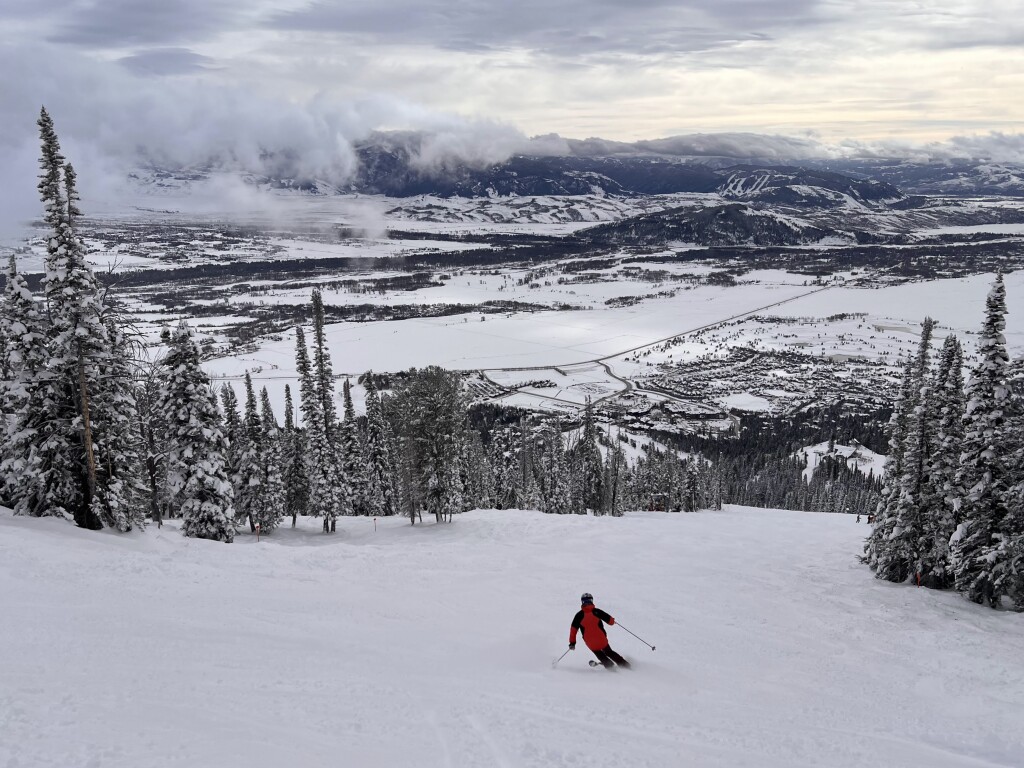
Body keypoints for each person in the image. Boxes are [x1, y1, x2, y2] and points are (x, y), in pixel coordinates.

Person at [569, 593, 631, 669]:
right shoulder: (597, 612)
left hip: (590, 642)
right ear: (592, 601)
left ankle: (609, 666)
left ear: (582, 602)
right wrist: (612, 620)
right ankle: (624, 665)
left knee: (599, 653)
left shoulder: (578, 615)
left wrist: (572, 643)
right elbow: (611, 622)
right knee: (609, 652)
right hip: (601, 639)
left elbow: (573, 630)